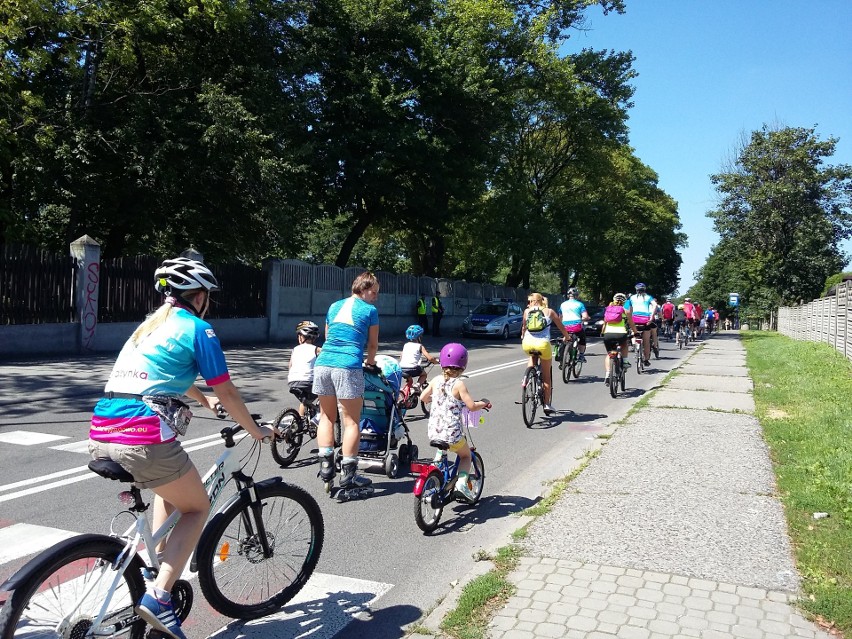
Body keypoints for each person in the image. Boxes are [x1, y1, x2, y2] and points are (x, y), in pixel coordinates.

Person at [89, 257, 272, 639]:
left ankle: (156, 570)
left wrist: (206, 405)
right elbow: (227, 388)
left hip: (103, 428)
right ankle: (159, 596)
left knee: (168, 491)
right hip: (143, 434)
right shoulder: (199, 329)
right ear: (200, 295)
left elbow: (173, 374)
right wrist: (254, 428)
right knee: (197, 506)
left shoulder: (150, 326)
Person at [313, 271, 380, 497]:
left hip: (323, 364)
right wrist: (370, 364)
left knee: (326, 417)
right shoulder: (370, 311)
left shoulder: (334, 306)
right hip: (348, 365)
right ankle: (349, 476)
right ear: (362, 289)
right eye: (373, 292)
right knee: (351, 421)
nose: (375, 297)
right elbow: (372, 345)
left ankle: (326, 467)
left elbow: (327, 335)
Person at [419, 343, 491, 501]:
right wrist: (484, 403)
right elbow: (471, 406)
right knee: (465, 456)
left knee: (442, 444)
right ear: (463, 366)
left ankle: (438, 463)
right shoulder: (459, 385)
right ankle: (461, 484)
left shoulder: (436, 380)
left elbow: (423, 398)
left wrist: (438, 399)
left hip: (433, 431)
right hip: (452, 434)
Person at [521, 292, 571, 415]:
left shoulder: (527, 312)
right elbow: (561, 327)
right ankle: (547, 404)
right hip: (543, 344)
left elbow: (523, 328)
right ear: (541, 300)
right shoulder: (550, 311)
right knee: (546, 377)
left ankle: (526, 379)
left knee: (532, 357)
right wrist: (567, 337)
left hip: (527, 343)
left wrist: (523, 336)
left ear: (531, 301)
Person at [288, 320, 321, 419]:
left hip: (292, 382)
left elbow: (290, 366)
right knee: (326, 393)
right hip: (309, 383)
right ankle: (321, 419)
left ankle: (299, 422)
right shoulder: (318, 350)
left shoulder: (295, 349)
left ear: (301, 337)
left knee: (305, 401)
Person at [601, 293, 636, 385]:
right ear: (624, 302)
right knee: (624, 344)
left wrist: (602, 332)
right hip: (621, 333)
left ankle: (608, 374)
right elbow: (631, 324)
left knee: (609, 354)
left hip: (608, 334)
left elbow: (604, 323)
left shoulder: (608, 309)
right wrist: (636, 333)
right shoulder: (625, 310)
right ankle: (625, 362)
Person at [625, 283, 658, 365]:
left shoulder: (631, 298)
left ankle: (635, 346)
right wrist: (651, 316)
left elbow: (626, 308)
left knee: (634, 334)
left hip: (634, 319)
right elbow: (655, 305)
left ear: (636, 290)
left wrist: (628, 318)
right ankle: (646, 360)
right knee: (646, 342)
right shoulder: (648, 297)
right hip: (645, 320)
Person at [558, 287, 590, 364]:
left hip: (565, 326)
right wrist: (586, 318)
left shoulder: (562, 304)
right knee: (582, 338)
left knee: (565, 338)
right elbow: (585, 316)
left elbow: (560, 317)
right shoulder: (580, 304)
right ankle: (581, 355)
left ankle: (562, 354)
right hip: (576, 326)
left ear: (568, 296)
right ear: (576, 296)